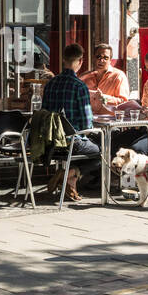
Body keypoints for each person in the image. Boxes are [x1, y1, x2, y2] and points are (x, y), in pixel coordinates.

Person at [41, 43, 101, 190]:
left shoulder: (51, 84)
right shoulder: (79, 86)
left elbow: (44, 113)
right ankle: (71, 173)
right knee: (102, 152)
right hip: (71, 142)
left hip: (50, 142)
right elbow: (87, 125)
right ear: (80, 61)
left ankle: (69, 178)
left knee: (90, 146)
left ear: (63, 59)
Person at [80, 42, 129, 114]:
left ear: (110, 60)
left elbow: (124, 103)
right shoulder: (85, 77)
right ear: (93, 58)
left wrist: (104, 98)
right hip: (88, 120)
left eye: (105, 58)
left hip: (111, 122)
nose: (101, 61)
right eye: (98, 57)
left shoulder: (118, 76)